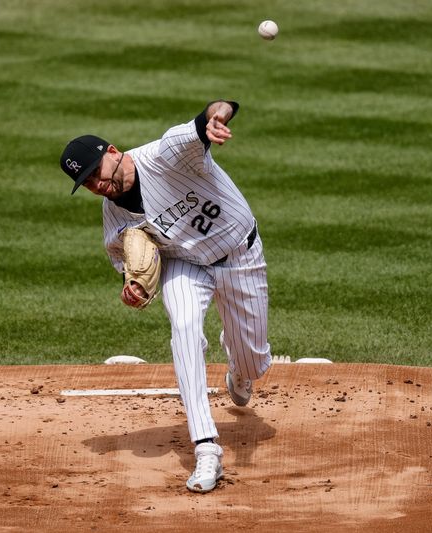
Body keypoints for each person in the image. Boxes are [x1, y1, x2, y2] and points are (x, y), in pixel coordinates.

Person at [59, 100, 272, 493]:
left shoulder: (167, 153)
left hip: (240, 255)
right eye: (88, 184)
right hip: (186, 267)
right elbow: (128, 269)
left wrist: (217, 118)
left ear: (112, 152)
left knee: (254, 363)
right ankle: (206, 448)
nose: (98, 185)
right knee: (185, 327)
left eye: (96, 173)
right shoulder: (113, 220)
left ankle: (239, 364)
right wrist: (133, 289)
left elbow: (214, 110)